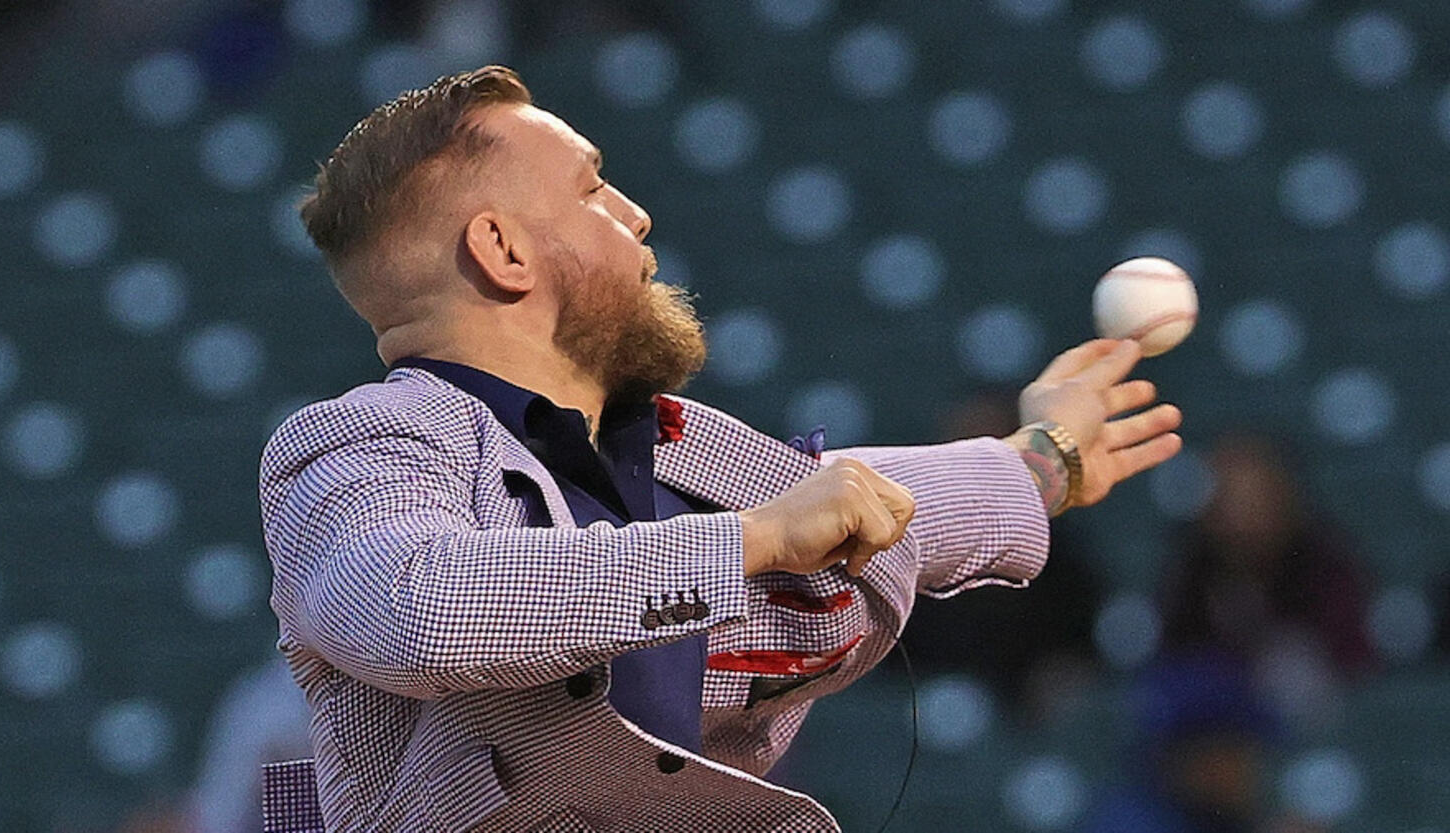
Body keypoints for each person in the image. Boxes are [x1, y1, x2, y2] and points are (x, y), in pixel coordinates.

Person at [258, 65, 1183, 832]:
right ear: (503, 249)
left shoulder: (675, 449)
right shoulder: (361, 448)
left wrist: (1044, 457)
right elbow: (426, 608)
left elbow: (869, 498)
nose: (635, 214)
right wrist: (753, 541)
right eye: (591, 189)